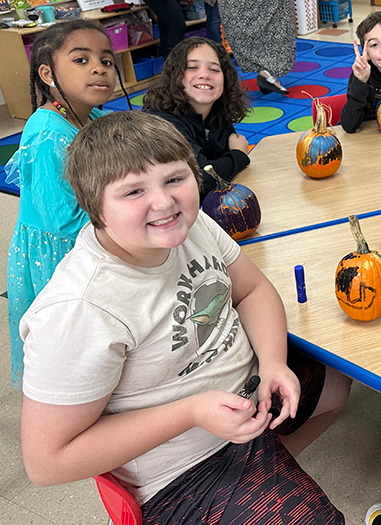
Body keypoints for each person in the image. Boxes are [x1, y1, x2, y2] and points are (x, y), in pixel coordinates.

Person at [19, 111, 352, 525]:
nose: (164, 202)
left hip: (242, 405)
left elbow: (253, 290)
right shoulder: (79, 308)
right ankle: (259, 487)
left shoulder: (189, 224)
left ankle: (270, 475)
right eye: (133, 191)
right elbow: (47, 463)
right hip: (181, 472)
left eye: (175, 179)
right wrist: (191, 412)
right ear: (95, 207)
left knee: (336, 380)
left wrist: (272, 362)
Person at [5, 20, 118, 389]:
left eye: (106, 60)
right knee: (71, 339)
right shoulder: (48, 134)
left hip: (93, 234)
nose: (99, 68)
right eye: (81, 60)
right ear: (47, 73)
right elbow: (63, 221)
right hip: (59, 255)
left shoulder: (95, 117)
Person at [143, 37, 251, 200]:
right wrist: (238, 153)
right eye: (192, 67)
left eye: (214, 69)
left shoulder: (216, 112)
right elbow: (203, 179)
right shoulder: (163, 123)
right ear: (175, 75)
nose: (204, 75)